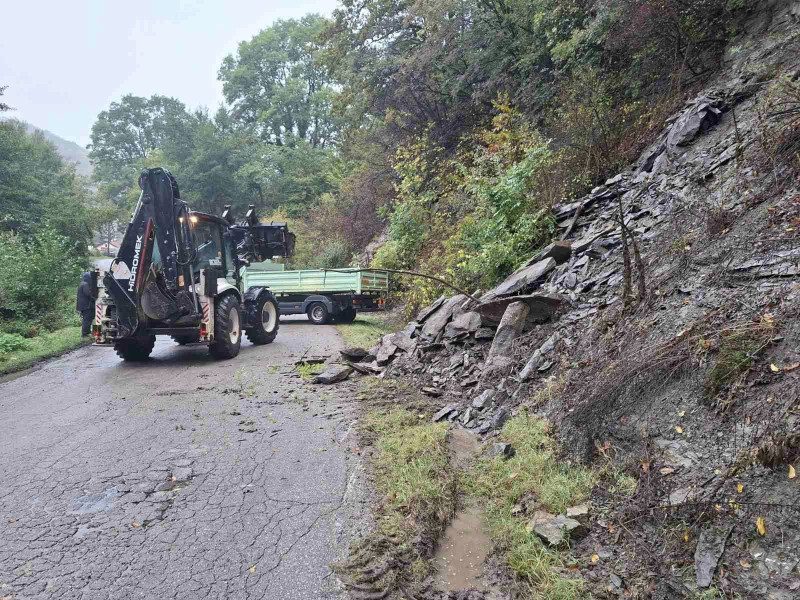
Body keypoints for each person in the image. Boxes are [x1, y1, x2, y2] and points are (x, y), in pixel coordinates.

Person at [76, 272, 96, 337]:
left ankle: (88, 332)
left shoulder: (82, 283)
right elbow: (88, 294)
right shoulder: (85, 284)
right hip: (87, 305)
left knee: (87, 319)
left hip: (84, 305)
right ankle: (84, 334)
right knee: (87, 320)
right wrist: (96, 299)